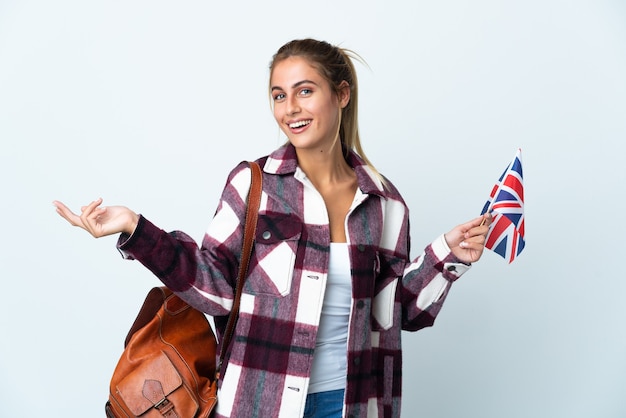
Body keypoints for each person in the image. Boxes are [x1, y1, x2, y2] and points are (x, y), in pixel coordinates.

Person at [54, 38, 492, 418]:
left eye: (305, 91)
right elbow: (216, 288)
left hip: (354, 401)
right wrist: (134, 227)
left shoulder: (385, 203)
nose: (291, 109)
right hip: (259, 402)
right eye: (279, 95)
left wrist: (448, 256)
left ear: (342, 94)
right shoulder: (253, 185)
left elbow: (394, 314)